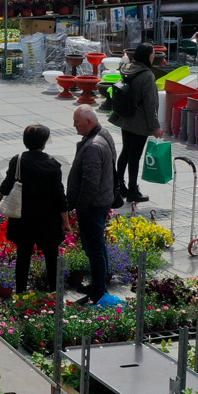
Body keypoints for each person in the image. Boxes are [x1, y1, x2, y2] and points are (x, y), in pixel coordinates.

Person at [0, 124, 66, 293]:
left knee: (23, 257)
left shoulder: (18, 160)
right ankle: (54, 296)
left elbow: (4, 189)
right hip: (48, 220)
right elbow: (60, 197)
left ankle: (20, 294)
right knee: (51, 257)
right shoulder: (53, 165)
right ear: (43, 143)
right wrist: (65, 222)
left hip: (23, 219)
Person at [65, 104, 121, 307]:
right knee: (98, 248)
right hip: (102, 201)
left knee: (94, 249)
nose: (74, 126)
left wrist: (79, 207)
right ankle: (98, 285)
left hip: (93, 206)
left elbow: (90, 183)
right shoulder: (103, 134)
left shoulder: (93, 146)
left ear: (89, 122)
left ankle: (98, 292)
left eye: (77, 122)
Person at [109, 44, 162, 205]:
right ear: (147, 56)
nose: (154, 56)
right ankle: (133, 190)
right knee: (134, 156)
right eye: (153, 54)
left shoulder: (127, 67)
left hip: (126, 117)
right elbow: (150, 104)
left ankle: (118, 186)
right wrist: (155, 126)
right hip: (139, 122)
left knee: (126, 152)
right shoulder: (147, 75)